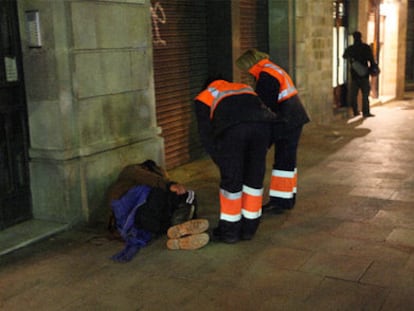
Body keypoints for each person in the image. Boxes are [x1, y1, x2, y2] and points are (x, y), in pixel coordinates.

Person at [194, 77, 276, 243]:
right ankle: (249, 230)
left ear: (207, 85)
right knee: (254, 181)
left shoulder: (204, 96)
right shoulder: (244, 87)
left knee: (232, 184)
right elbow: (266, 113)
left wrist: (220, 159)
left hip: (233, 131)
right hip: (263, 128)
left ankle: (230, 233)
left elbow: (205, 134)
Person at [236, 49, 310, 214]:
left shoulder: (266, 75)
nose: (245, 72)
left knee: (283, 161)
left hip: (287, 120)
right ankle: (286, 199)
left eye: (244, 68)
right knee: (287, 160)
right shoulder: (271, 68)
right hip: (292, 118)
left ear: (250, 64)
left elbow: (264, 106)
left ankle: (280, 202)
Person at [106, 159, 209, 262]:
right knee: (183, 194)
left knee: (184, 195)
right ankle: (183, 227)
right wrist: (170, 185)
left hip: (152, 223)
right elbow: (148, 178)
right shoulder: (131, 170)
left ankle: (180, 232)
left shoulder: (154, 190)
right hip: (137, 218)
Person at [343, 31, 378, 118]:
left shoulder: (351, 48)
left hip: (354, 75)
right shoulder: (365, 47)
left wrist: (352, 59)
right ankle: (366, 112)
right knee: (365, 95)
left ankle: (355, 111)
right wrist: (373, 69)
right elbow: (371, 60)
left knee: (353, 95)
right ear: (361, 37)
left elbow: (344, 56)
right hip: (364, 75)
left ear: (354, 38)